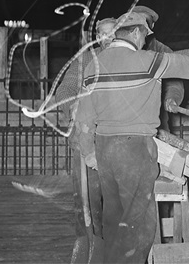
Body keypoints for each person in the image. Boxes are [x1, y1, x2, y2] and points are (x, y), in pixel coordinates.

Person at [74, 11, 189, 263]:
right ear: (137, 33)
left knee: (113, 221)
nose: (144, 41)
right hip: (135, 150)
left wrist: (88, 153)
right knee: (137, 228)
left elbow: (84, 119)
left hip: (104, 150)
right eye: (144, 35)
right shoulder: (147, 61)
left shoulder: (92, 67)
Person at [54, 18, 116, 264]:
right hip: (85, 139)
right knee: (87, 202)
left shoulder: (129, 59)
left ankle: (114, 247)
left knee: (116, 201)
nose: (106, 38)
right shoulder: (85, 60)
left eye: (111, 33)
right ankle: (88, 241)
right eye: (101, 33)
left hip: (117, 141)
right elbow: (64, 90)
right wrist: (73, 106)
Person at [129, 5, 184, 132]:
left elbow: (174, 82)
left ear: (152, 26)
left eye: (146, 22)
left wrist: (171, 98)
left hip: (156, 123)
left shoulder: (163, 52)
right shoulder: (119, 50)